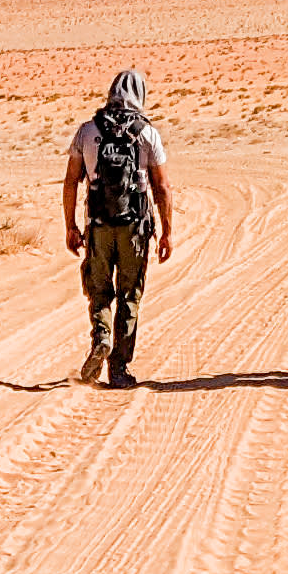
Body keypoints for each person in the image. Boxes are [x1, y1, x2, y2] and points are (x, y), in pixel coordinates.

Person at [61, 70, 173, 387]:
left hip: (97, 225)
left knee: (99, 292)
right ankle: (119, 370)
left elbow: (71, 182)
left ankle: (101, 335)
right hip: (135, 227)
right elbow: (162, 187)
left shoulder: (87, 131)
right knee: (129, 296)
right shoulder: (148, 133)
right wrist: (167, 231)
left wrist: (70, 226)